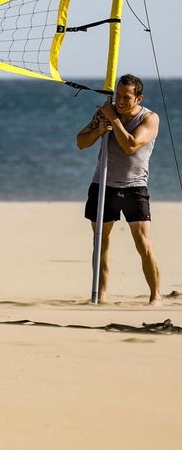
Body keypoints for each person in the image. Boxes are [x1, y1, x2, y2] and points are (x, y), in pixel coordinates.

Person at [76, 73, 162, 304]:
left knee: (143, 243)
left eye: (127, 97)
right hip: (103, 185)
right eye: (118, 96)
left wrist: (113, 119)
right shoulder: (106, 112)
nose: (120, 101)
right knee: (100, 242)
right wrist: (98, 130)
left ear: (139, 98)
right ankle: (101, 294)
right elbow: (81, 142)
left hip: (134, 187)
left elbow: (130, 146)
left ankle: (155, 296)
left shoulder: (149, 118)